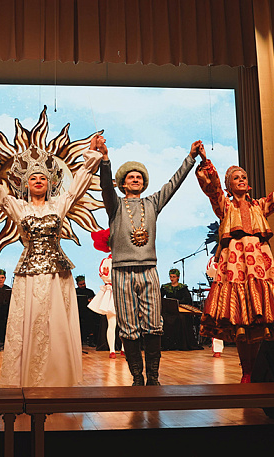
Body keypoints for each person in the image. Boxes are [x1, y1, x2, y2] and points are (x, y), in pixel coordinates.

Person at [0, 136, 102, 387]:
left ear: (50, 183)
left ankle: (59, 375)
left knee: (56, 323)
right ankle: (29, 375)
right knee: (32, 322)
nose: (38, 181)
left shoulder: (59, 204)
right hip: (29, 273)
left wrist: (91, 153)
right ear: (26, 183)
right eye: (33, 178)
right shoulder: (18, 207)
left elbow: (78, 186)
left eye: (42, 178)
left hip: (57, 273)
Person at [196, 146, 274, 382]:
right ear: (229, 185)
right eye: (236, 178)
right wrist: (205, 162)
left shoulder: (259, 206)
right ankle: (246, 371)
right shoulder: (225, 206)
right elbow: (212, 189)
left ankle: (255, 370)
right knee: (240, 321)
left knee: (258, 320)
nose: (241, 180)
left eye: (244, 177)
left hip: (259, 267)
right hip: (235, 267)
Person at [100, 136, 202, 386]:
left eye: (139, 177)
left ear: (144, 183)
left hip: (149, 270)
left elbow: (173, 184)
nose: (135, 179)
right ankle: (137, 377)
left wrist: (190, 158)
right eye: (130, 177)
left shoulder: (153, 203)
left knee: (154, 325)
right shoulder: (115, 205)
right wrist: (105, 160)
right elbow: (105, 187)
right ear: (122, 183)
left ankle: (153, 378)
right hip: (122, 271)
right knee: (128, 325)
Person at [87, 229, 119, 358]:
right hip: (112, 292)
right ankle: (112, 350)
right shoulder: (106, 261)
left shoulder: (122, 260)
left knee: (124, 323)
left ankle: (123, 348)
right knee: (112, 323)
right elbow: (105, 276)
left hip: (121, 291)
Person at [160, 268, 202, 351]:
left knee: (181, 318)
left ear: (178, 277)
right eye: (171, 276)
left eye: (174, 277)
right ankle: (167, 345)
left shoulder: (183, 288)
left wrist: (178, 302)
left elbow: (187, 299)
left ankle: (181, 344)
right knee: (165, 318)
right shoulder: (165, 287)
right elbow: (160, 297)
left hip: (180, 310)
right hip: (169, 310)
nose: (172, 279)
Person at [75, 274, 97, 346]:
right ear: (77, 284)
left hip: (88, 311)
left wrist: (91, 300)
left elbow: (94, 301)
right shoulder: (74, 291)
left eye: (84, 283)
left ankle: (91, 339)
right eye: (81, 284)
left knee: (91, 318)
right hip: (78, 311)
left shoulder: (90, 292)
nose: (83, 285)